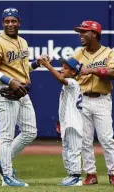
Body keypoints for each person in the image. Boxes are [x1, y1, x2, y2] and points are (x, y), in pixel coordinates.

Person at [0, 8, 44, 187]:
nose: (10, 24)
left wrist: (37, 63)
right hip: (5, 92)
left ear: (19, 22)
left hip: (21, 92)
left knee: (30, 132)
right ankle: (8, 176)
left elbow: (23, 70)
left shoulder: (23, 42)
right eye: (6, 21)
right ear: (3, 23)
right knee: (6, 136)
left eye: (13, 21)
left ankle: (0, 165)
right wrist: (10, 81)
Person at [72, 20, 114, 186]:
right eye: (80, 32)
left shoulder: (108, 53)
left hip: (101, 100)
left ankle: (113, 174)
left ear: (94, 34)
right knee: (84, 140)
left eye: (84, 32)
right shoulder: (78, 55)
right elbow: (66, 74)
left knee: (106, 139)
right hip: (82, 99)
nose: (81, 35)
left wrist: (92, 70)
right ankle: (90, 174)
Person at [39, 57, 83, 186]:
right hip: (67, 122)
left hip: (73, 123)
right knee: (67, 149)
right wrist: (61, 120)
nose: (61, 69)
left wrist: (48, 65)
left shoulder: (73, 83)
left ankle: (76, 176)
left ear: (74, 72)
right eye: (62, 67)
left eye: (65, 68)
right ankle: (71, 175)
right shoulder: (69, 85)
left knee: (73, 150)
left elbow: (60, 79)